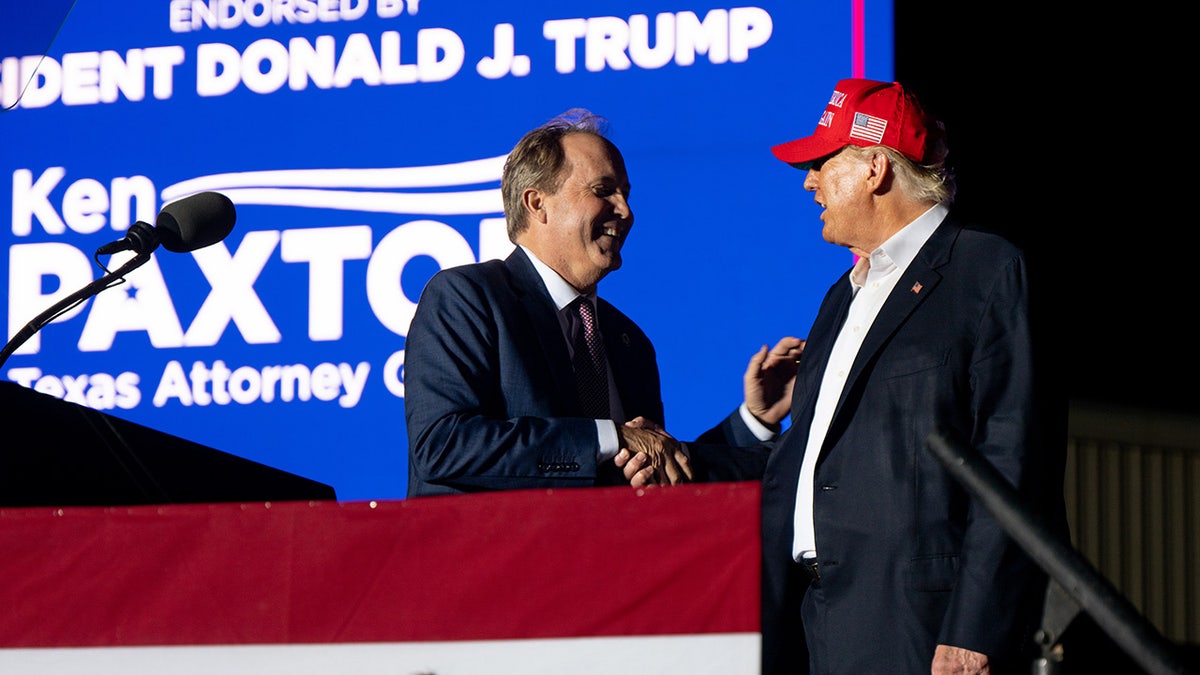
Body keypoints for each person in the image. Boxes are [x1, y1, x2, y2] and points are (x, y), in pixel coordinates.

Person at [715, 78, 1068, 674]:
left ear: (875, 166)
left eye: (821, 163)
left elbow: (1014, 460)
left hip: (920, 628)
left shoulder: (985, 269)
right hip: (816, 619)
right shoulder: (840, 297)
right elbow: (807, 467)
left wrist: (974, 629)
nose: (809, 181)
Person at [404, 109, 792, 496]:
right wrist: (610, 437)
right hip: (492, 555)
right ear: (537, 203)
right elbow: (443, 444)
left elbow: (658, 465)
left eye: (625, 193)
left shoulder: (627, 340)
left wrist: (752, 421)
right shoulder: (467, 297)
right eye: (603, 190)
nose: (625, 211)